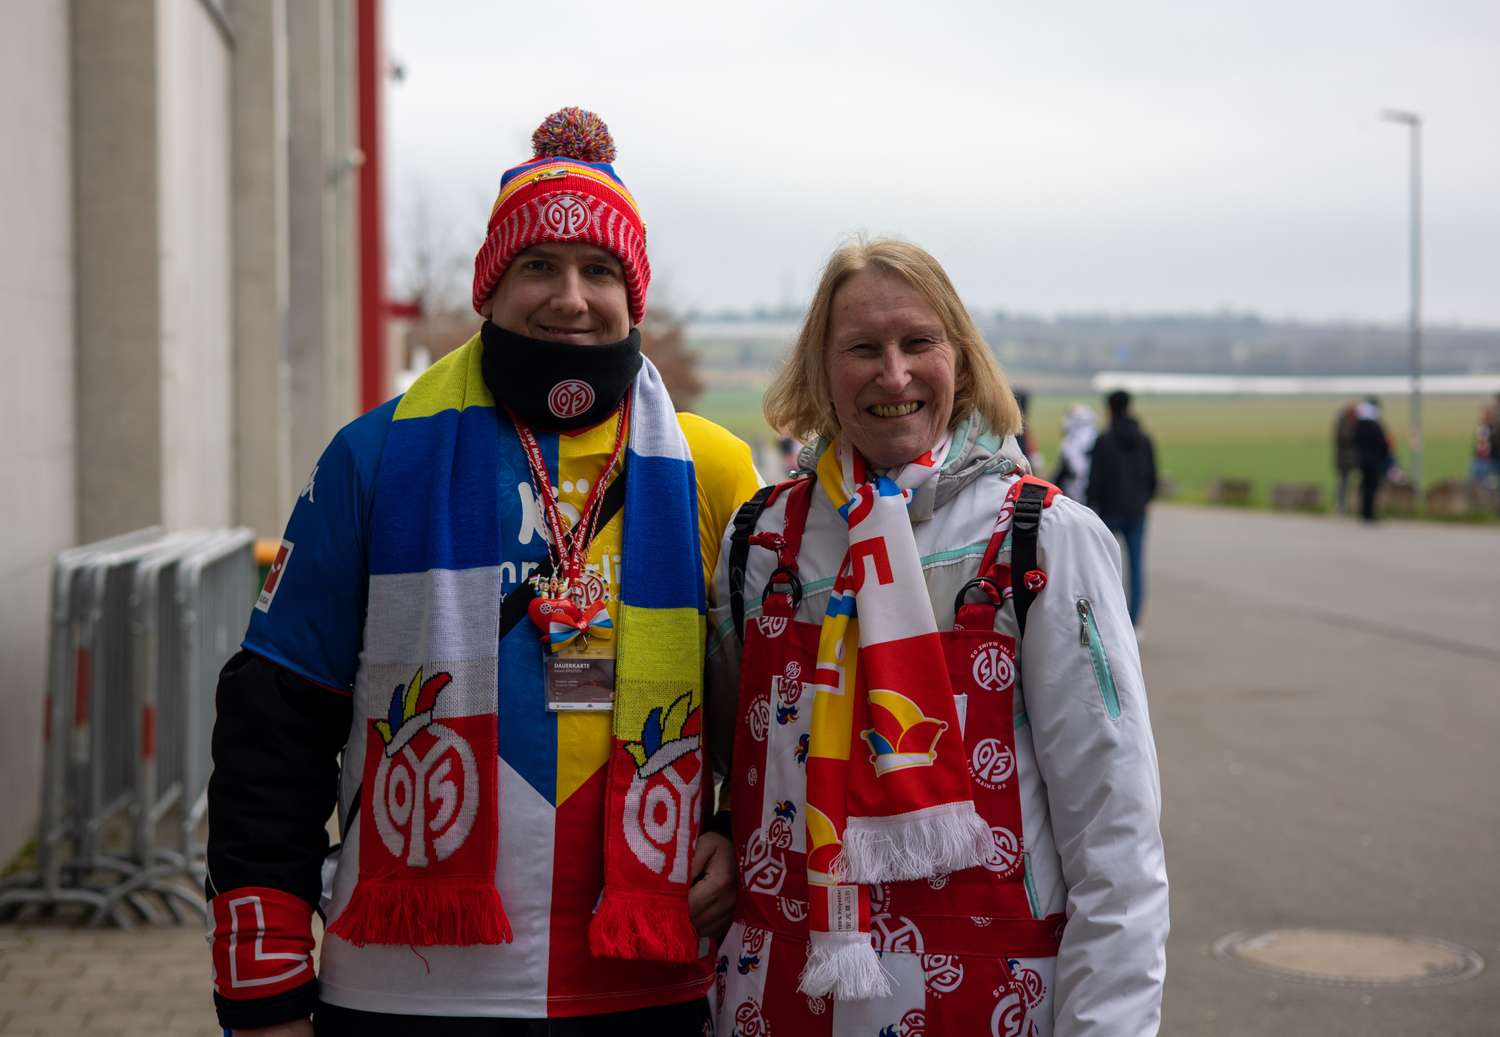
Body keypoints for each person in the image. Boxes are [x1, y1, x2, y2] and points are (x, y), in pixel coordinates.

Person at [205, 108, 761, 1036]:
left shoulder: (715, 469)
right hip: (404, 985)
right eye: (537, 265)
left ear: (636, 293)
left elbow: (765, 716)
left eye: (600, 270)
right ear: (489, 287)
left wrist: (736, 834)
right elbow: (276, 723)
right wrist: (262, 993)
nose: (570, 297)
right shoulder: (372, 456)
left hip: (649, 981)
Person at [705, 240, 1167, 1035]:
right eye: (862, 348)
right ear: (820, 368)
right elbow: (725, 773)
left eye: (919, 342)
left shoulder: (1045, 539)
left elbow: (1115, 840)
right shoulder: (758, 542)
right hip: (778, 998)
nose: (894, 375)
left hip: (992, 1003)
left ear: (962, 355)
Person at [1085, 390, 1157, 625]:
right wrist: (1145, 500)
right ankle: (1134, 622)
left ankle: (1109, 620)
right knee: (1136, 567)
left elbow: (1094, 480)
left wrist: (1089, 507)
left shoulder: (1104, 441)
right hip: (1137, 511)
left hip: (1109, 511)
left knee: (1104, 567)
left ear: (1110, 410)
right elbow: (1152, 477)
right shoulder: (1145, 440)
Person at [1352, 396, 1392, 522]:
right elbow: (1383, 443)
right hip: (1374, 461)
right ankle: (1369, 514)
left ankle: (1364, 513)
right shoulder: (1375, 426)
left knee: (1365, 487)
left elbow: (1355, 442)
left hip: (1362, 460)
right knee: (1372, 488)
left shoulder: (1359, 426)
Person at [1050, 404, 1097, 502]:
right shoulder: (1095, 436)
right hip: (1093, 493)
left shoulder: (1070, 443)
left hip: (1075, 493)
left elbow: (1076, 469)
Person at [1333, 402, 1359, 514]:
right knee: (1343, 483)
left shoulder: (1349, 422)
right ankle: (1340, 506)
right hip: (1344, 458)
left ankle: (1349, 506)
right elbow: (1344, 437)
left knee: (1348, 483)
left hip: (1350, 458)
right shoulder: (1343, 423)